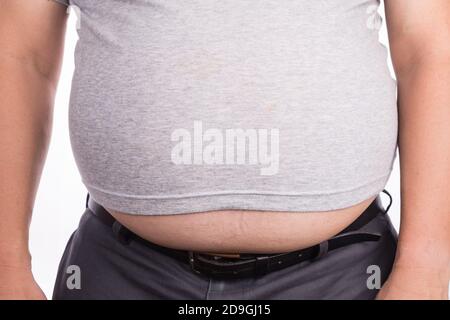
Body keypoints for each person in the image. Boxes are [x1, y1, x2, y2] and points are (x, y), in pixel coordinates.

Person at [0, 0, 448, 300]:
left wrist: (426, 266)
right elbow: (20, 56)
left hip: (344, 276)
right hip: (122, 272)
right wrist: (6, 264)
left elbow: (430, 51)